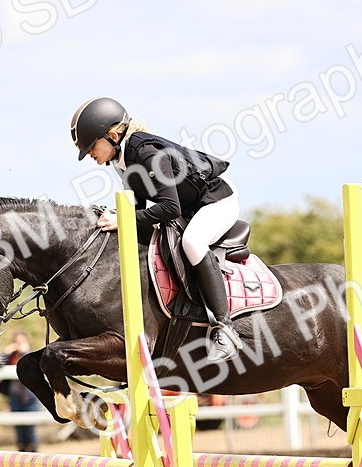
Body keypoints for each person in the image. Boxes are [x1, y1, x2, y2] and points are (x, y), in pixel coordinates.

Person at [70, 96, 245, 363]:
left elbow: (169, 208)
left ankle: (225, 328)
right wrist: (118, 217)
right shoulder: (122, 161)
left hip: (215, 201)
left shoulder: (146, 153)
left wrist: (124, 219)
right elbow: (138, 206)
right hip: (189, 207)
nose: (90, 155)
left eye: (92, 146)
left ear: (112, 135)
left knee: (193, 242)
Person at [0, 332, 40, 452]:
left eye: (21, 342)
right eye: (16, 342)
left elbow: (32, 365)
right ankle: (21, 449)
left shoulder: (31, 355)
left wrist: (24, 352)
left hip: (30, 396)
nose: (18, 345)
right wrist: (6, 353)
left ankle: (33, 450)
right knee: (18, 427)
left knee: (30, 426)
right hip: (15, 396)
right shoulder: (11, 357)